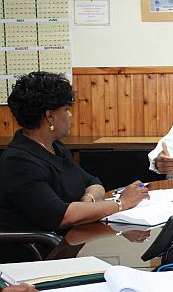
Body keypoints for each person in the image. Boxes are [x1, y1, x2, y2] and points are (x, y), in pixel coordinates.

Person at [0, 72, 149, 261]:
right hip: (36, 256)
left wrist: (88, 200)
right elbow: (60, 216)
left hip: (68, 244)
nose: (70, 114)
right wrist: (121, 203)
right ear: (50, 117)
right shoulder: (19, 161)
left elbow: (94, 183)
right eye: (65, 109)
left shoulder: (56, 148)